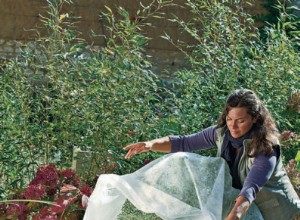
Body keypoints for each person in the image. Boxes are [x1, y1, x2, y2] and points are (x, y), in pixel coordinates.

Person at [123, 89, 300, 220]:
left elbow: (249, 190)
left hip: (278, 213)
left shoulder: (266, 148)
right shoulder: (221, 133)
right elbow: (183, 142)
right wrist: (149, 145)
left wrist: (234, 217)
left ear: (255, 118)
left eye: (240, 121)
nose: (233, 126)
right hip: (246, 211)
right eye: (230, 119)